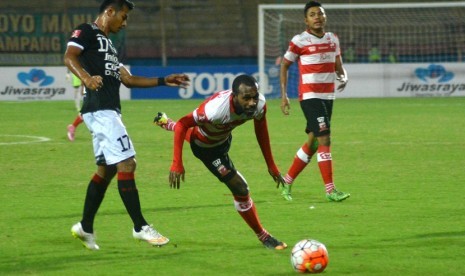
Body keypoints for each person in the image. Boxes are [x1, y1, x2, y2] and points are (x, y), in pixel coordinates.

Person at [64, 0, 190, 250]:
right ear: (109, 11)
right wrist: (86, 78)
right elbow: (69, 56)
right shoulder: (86, 31)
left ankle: (85, 227)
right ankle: (140, 226)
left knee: (106, 170)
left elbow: (129, 80)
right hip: (100, 110)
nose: (125, 22)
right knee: (127, 162)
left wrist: (165, 80)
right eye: (123, 16)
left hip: (106, 111)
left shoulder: (110, 46)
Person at [154, 74, 287, 250]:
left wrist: (271, 165)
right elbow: (183, 124)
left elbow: (261, 130)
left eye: (254, 96)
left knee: (212, 132)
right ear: (234, 96)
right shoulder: (214, 110)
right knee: (240, 188)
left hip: (223, 138)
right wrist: (177, 163)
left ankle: (166, 123)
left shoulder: (260, 105)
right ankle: (263, 236)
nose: (252, 102)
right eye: (246, 98)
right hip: (207, 150)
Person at [279, 1, 350, 202]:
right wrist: (284, 96)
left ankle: (287, 181)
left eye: (320, 13)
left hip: (328, 96)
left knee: (311, 144)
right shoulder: (300, 41)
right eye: (312, 14)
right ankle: (330, 190)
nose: (317, 17)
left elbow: (339, 67)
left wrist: (344, 77)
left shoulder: (333, 39)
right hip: (310, 97)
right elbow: (284, 66)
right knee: (325, 139)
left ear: (325, 17)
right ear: (306, 20)